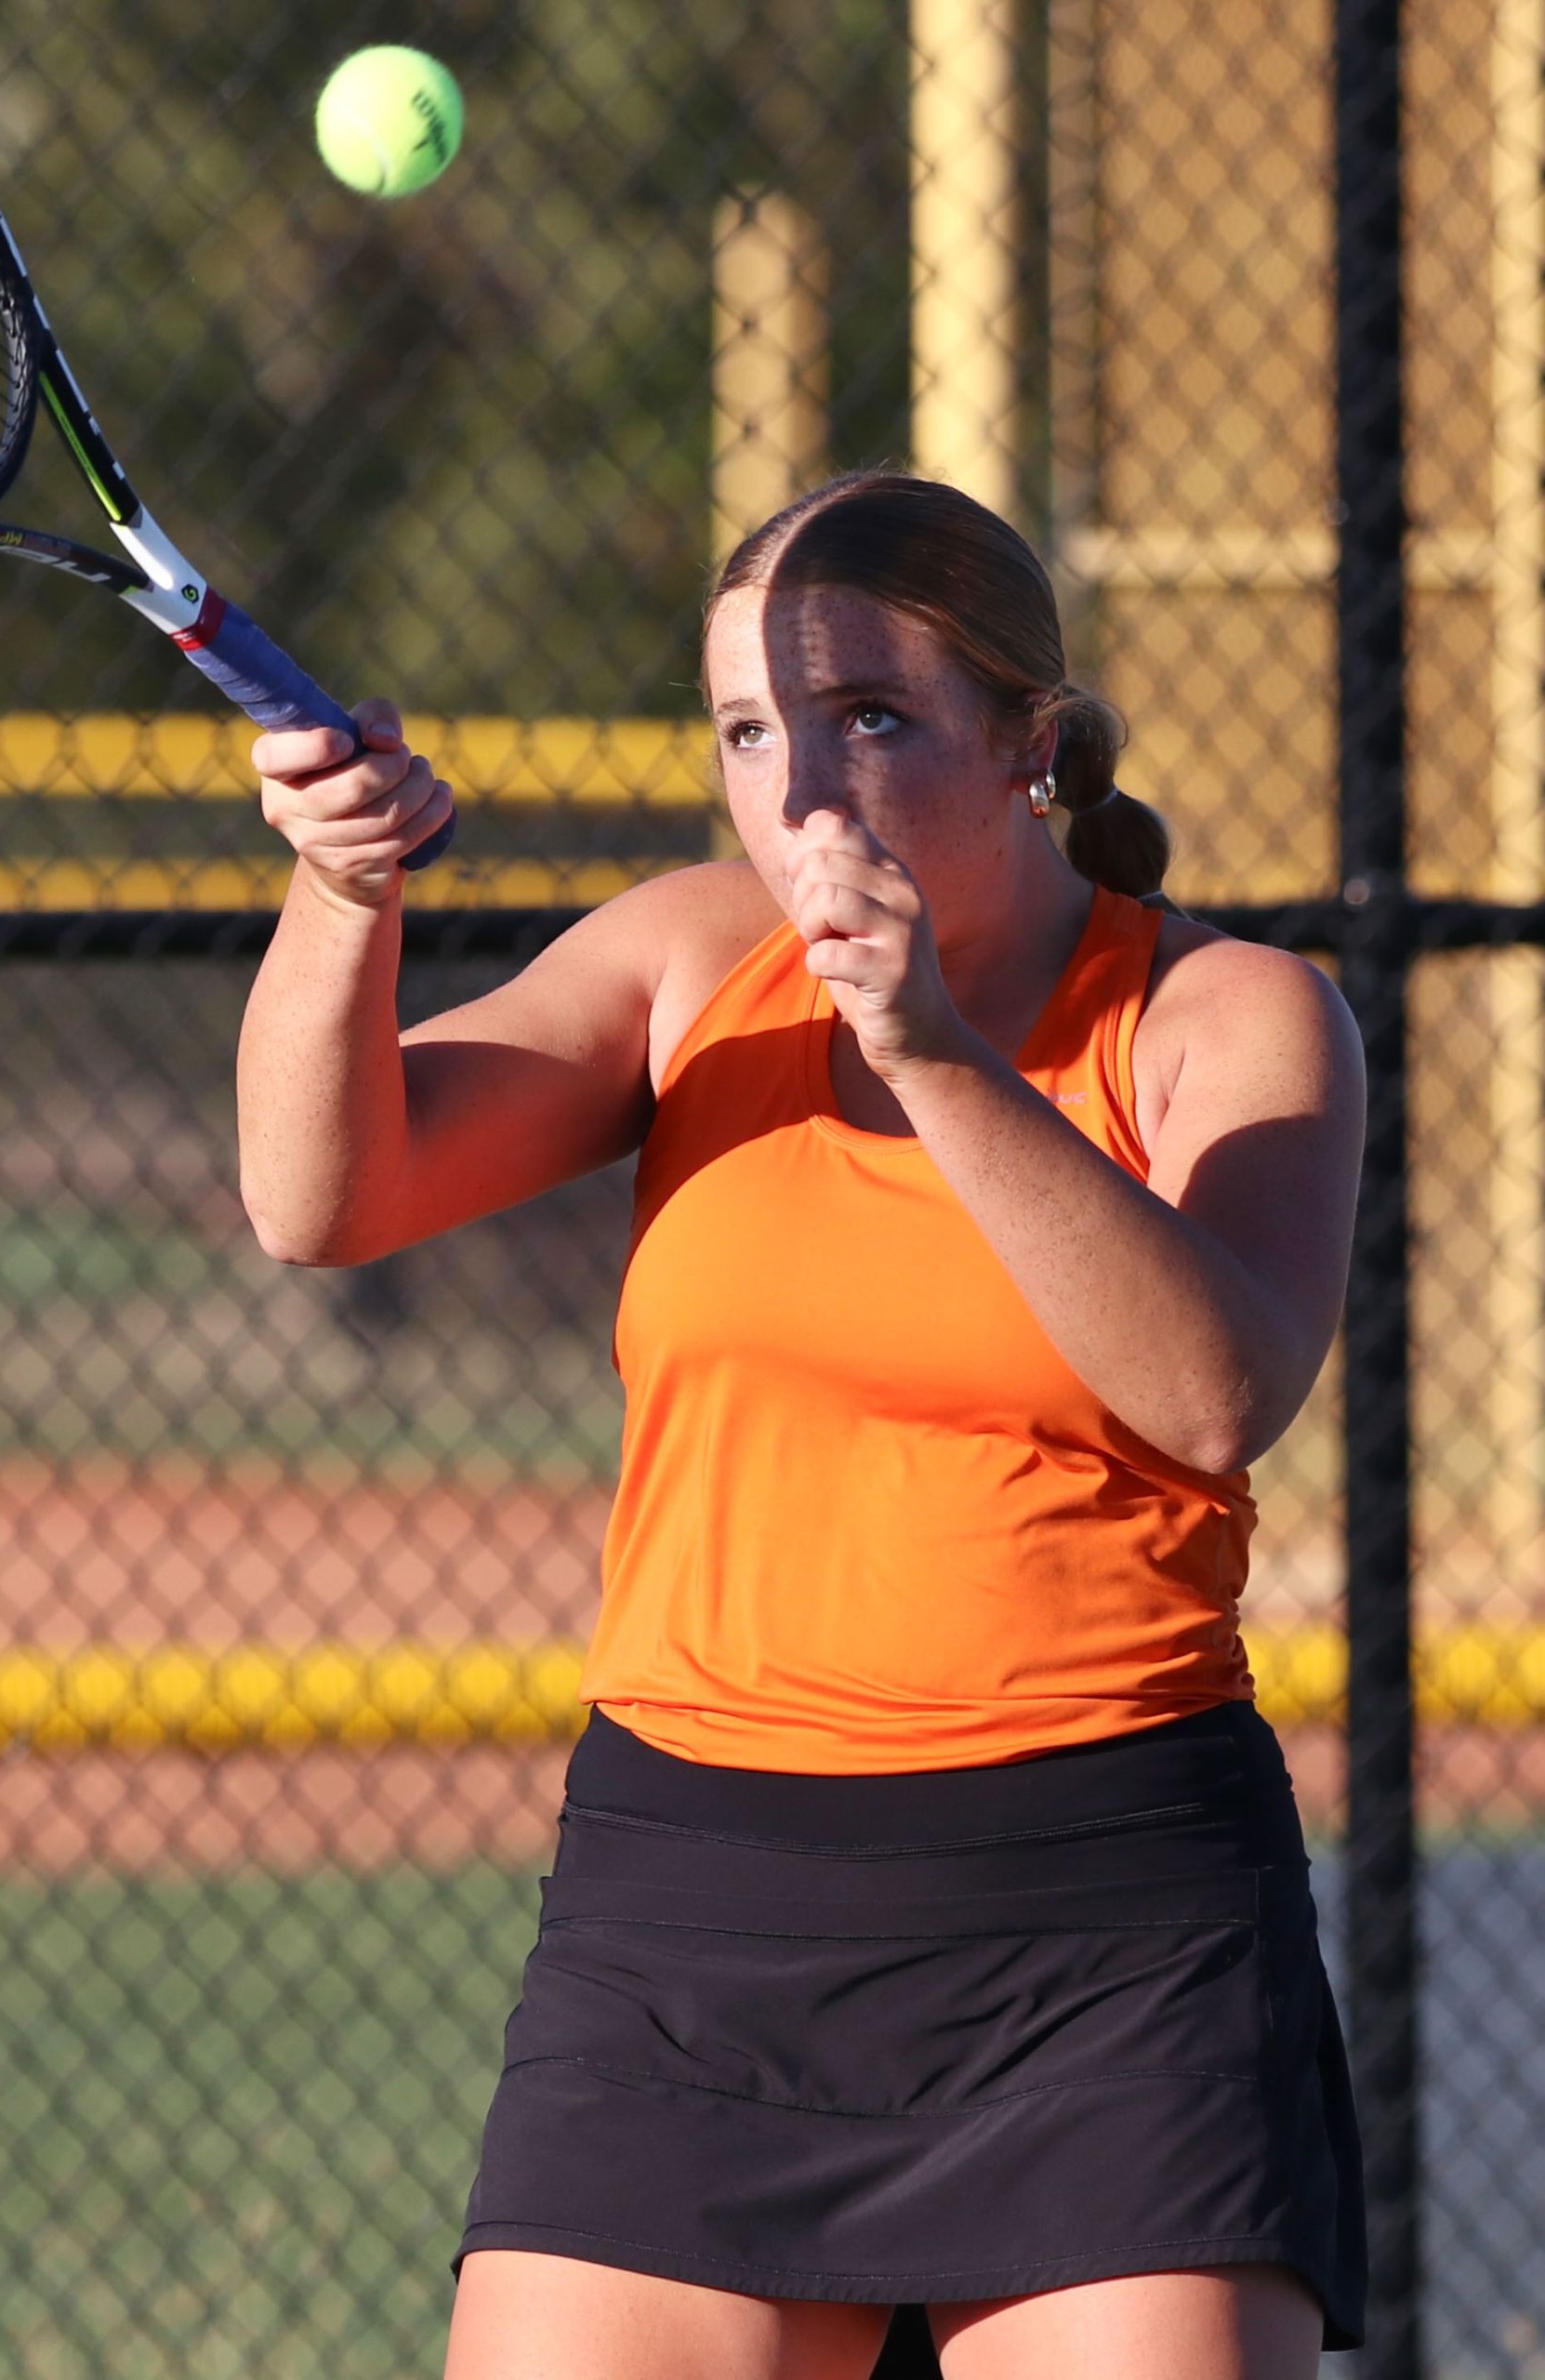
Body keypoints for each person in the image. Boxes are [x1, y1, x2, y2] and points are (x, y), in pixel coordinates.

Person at [236, 471, 1367, 2380]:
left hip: (1106, 1936)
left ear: (1027, 744)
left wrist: (927, 1050)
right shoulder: (689, 958)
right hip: (691, 1919)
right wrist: (343, 895)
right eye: (751, 729)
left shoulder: (1222, 1011)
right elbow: (320, 1198)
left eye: (870, 717)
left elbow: (1214, 1389)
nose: (802, 788)